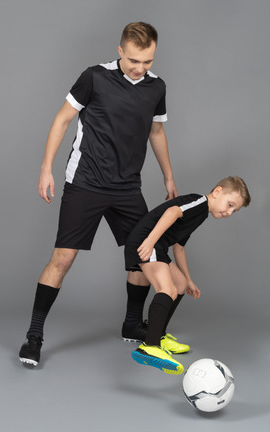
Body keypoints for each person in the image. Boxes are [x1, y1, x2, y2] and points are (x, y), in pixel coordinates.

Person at [19, 22, 182, 367]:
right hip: (86, 183)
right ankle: (34, 336)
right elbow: (63, 119)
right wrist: (46, 168)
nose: (140, 68)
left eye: (148, 61)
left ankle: (132, 324)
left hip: (127, 187)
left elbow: (156, 132)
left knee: (143, 253)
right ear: (121, 50)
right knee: (62, 260)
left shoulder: (156, 87)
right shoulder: (94, 77)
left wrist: (169, 177)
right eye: (134, 60)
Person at [124, 176, 251, 375]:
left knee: (180, 285)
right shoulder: (199, 202)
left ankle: (158, 335)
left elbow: (179, 248)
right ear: (217, 192)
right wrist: (150, 241)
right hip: (146, 241)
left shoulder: (201, 215)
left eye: (234, 211)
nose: (229, 212)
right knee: (167, 289)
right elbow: (172, 211)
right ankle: (150, 347)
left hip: (157, 245)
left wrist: (189, 279)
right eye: (230, 204)